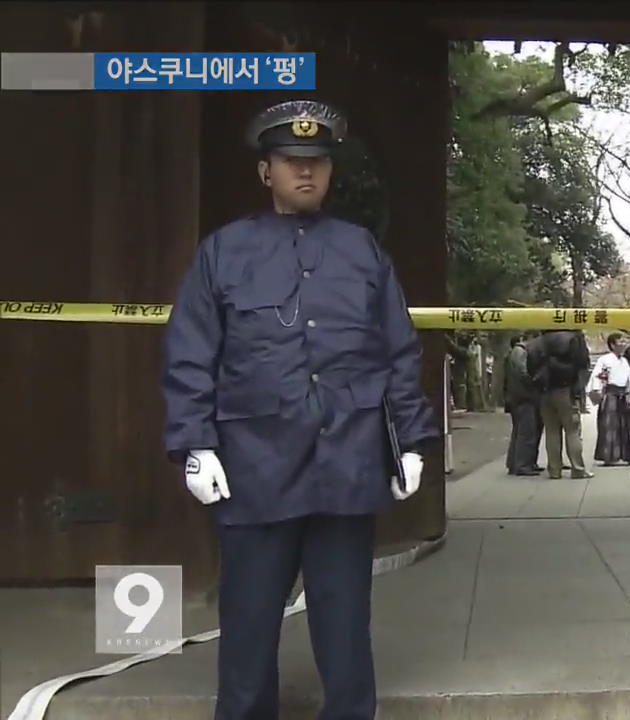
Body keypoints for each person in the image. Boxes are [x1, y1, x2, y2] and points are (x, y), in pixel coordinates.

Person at [161, 100, 438, 720]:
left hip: (346, 462)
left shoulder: (361, 251)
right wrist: (194, 445)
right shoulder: (225, 252)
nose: (306, 173)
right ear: (267, 171)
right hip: (255, 465)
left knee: (344, 625)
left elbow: (397, 348)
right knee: (249, 623)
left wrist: (412, 441)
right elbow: (190, 355)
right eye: (292, 162)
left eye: (317, 162)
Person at [527, 327, 594, 479]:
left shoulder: (537, 342)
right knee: (572, 430)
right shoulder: (574, 339)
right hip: (566, 389)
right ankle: (578, 469)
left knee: (551, 431)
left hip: (544, 390)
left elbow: (530, 367)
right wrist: (578, 389)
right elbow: (583, 365)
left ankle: (554, 470)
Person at [587, 333, 630, 466]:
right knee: (609, 426)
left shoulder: (624, 361)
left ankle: (628, 455)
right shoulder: (605, 360)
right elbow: (599, 377)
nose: (623, 343)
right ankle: (608, 456)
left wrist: (629, 394)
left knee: (625, 426)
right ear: (612, 345)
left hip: (622, 394)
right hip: (610, 395)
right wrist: (599, 392)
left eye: (624, 341)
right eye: (620, 341)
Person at [504, 334, 542, 476]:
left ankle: (515, 463)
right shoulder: (521, 351)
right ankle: (523, 465)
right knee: (527, 431)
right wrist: (536, 381)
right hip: (524, 397)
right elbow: (523, 373)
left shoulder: (515, 351)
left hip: (517, 396)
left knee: (519, 431)